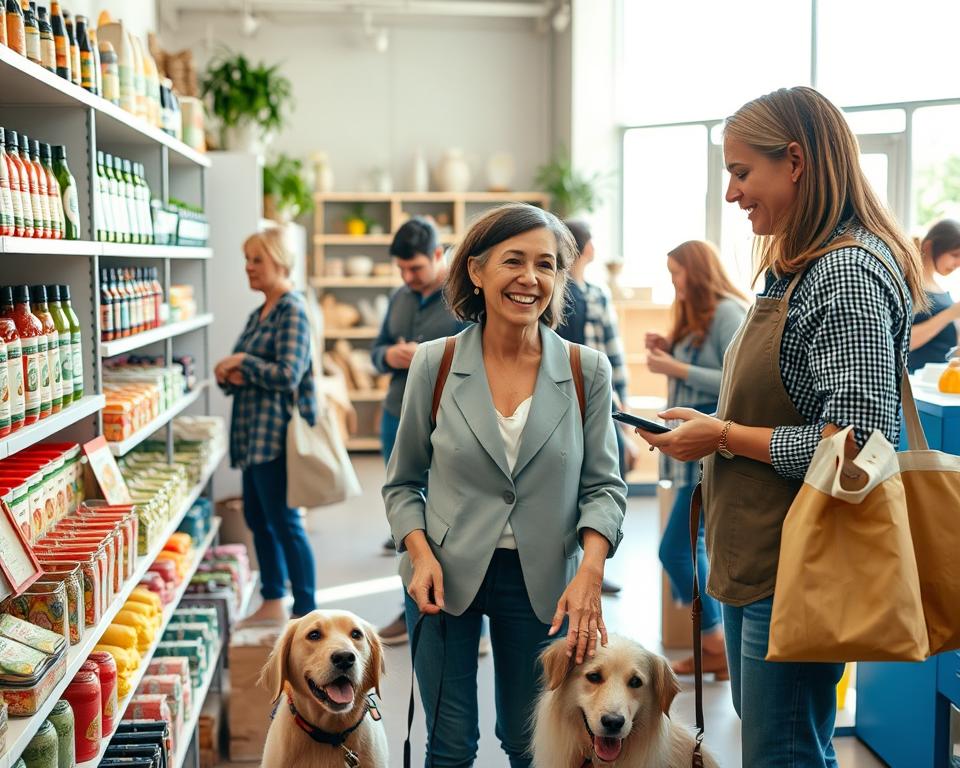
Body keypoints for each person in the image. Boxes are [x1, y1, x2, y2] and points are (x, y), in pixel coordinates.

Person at [634, 87, 925, 767]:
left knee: (782, 750)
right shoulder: (792, 270)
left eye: (741, 173)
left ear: (794, 161)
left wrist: (723, 436)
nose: (733, 195)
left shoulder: (845, 274)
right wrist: (718, 425)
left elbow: (856, 445)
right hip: (760, 554)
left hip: (799, 564)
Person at [384, 203, 626, 767]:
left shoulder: (586, 370)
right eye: (512, 261)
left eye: (546, 265)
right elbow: (401, 483)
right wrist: (418, 554)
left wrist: (590, 572)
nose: (529, 278)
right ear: (475, 270)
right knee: (449, 745)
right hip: (441, 577)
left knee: (532, 743)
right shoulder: (434, 363)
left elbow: (604, 488)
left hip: (544, 585)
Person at [644, 240, 746, 680]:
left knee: (676, 550)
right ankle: (713, 645)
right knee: (683, 547)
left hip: (710, 453)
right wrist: (670, 346)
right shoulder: (695, 314)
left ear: (697, 270)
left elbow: (734, 378)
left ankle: (716, 642)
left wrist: (677, 368)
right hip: (691, 454)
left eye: (676, 273)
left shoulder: (728, 312)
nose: (673, 282)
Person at [371, 217, 469, 646]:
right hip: (397, 414)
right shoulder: (399, 298)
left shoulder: (464, 300)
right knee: (405, 516)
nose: (408, 278)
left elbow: (478, 361)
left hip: (447, 422)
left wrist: (428, 360)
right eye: (402, 270)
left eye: (415, 269)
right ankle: (412, 605)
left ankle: (465, 616)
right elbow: (375, 351)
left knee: (448, 522)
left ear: (437, 256)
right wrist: (389, 354)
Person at [215, 228, 319, 625]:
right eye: (247, 259)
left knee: (285, 522)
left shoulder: (292, 309)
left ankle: (306, 609)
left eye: (256, 259)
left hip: (275, 436)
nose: (248, 267)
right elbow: (234, 370)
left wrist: (242, 365)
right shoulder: (260, 312)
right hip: (251, 436)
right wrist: (233, 369)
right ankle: (274, 599)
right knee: (259, 520)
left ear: (279, 261)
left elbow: (289, 374)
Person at [556, 219, 634, 595]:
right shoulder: (554, 292)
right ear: (587, 250)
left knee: (599, 482)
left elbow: (611, 360)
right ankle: (571, 566)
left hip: (594, 404)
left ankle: (591, 566)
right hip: (560, 406)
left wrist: (623, 418)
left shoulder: (597, 295)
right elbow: (615, 357)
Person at [908, 218, 960, 372]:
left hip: (938, 382)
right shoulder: (910, 286)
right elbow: (904, 341)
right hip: (915, 383)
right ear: (929, 246)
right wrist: (950, 314)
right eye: (954, 255)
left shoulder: (940, 289)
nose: (958, 263)